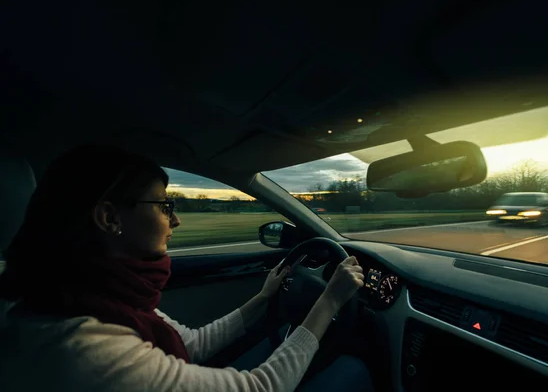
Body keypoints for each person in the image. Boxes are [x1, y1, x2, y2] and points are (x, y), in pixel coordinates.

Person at [0, 144, 373, 392]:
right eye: (164, 206)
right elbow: (261, 386)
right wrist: (329, 303)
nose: (174, 221)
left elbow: (192, 344)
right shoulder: (83, 345)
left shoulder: (94, 294)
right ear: (110, 217)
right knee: (355, 371)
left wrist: (262, 298)